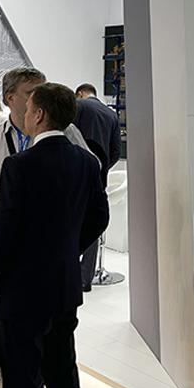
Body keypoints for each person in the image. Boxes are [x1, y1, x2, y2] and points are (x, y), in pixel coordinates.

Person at [0, 83, 108, 388]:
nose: (23, 115)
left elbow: (1, 232)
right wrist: (69, 248)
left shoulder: (19, 166)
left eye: (28, 109)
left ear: (39, 115)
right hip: (64, 284)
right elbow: (100, 217)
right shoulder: (87, 162)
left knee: (21, 372)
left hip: (21, 289)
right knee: (62, 366)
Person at [0, 67, 93, 246]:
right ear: (10, 98)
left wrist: (73, 243)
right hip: (6, 243)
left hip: (54, 243)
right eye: (32, 93)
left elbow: (90, 180)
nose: (42, 99)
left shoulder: (66, 132)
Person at [74, 83, 121, 292]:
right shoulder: (111, 115)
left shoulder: (77, 106)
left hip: (73, 175)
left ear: (80, 94)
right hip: (98, 180)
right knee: (93, 225)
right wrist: (100, 168)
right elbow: (115, 152)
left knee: (69, 221)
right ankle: (85, 277)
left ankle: (68, 271)